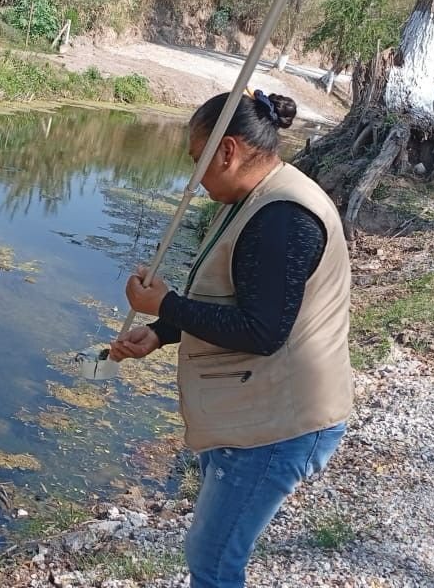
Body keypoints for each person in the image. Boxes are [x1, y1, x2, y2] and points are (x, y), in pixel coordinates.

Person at [109, 89, 353, 588]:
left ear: (227, 151)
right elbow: (232, 299)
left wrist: (166, 305)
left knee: (214, 559)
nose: (193, 178)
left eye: (197, 160)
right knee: (213, 551)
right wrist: (160, 332)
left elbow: (262, 331)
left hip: (278, 425)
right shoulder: (252, 198)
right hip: (253, 411)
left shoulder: (283, 217)